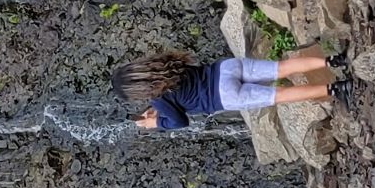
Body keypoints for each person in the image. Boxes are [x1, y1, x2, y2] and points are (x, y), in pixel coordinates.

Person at [115, 50, 332, 128]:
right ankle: (333, 61)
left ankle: (335, 89)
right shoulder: (162, 65)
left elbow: (180, 122)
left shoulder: (158, 99)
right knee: (281, 68)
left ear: (138, 93)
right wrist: (160, 110)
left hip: (224, 95)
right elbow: (181, 88)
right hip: (225, 68)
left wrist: (157, 122)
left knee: (280, 95)